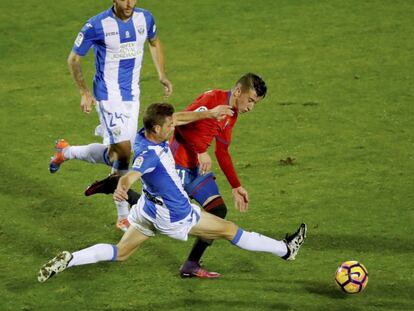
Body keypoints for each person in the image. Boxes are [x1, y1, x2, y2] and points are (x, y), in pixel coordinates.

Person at [38, 103, 307, 283]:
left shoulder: (147, 132)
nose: (173, 128)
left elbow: (178, 118)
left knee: (120, 253)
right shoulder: (149, 153)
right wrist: (121, 185)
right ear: (157, 129)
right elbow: (134, 173)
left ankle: (71, 259)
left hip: (147, 210)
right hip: (175, 215)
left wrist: (207, 113)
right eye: (168, 127)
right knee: (230, 230)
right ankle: (286, 250)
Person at [85, 73, 268, 278]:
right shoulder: (212, 100)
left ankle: (191, 264)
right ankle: (115, 185)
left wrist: (236, 185)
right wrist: (200, 149)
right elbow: (177, 123)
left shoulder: (230, 114)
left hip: (196, 169)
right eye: (250, 100)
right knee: (165, 206)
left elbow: (222, 151)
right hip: (177, 163)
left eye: (255, 103)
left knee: (217, 210)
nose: (251, 107)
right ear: (237, 92)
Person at [48, 0, 173, 232]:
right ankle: (123, 217)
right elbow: (73, 59)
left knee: (117, 154)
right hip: (108, 95)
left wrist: (162, 74)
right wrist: (84, 92)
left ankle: (65, 151)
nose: (129, 3)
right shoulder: (97, 25)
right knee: (125, 151)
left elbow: (154, 43)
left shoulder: (145, 18)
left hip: (132, 95)